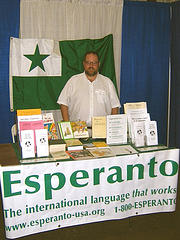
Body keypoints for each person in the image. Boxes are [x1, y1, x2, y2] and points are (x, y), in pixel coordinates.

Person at [57, 51, 121, 127]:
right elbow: (63, 103)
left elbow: (115, 106)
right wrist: (67, 126)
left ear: (98, 64)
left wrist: (112, 128)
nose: (91, 65)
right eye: (88, 62)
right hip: (78, 130)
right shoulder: (73, 81)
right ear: (84, 64)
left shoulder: (107, 82)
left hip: (102, 131)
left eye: (94, 63)